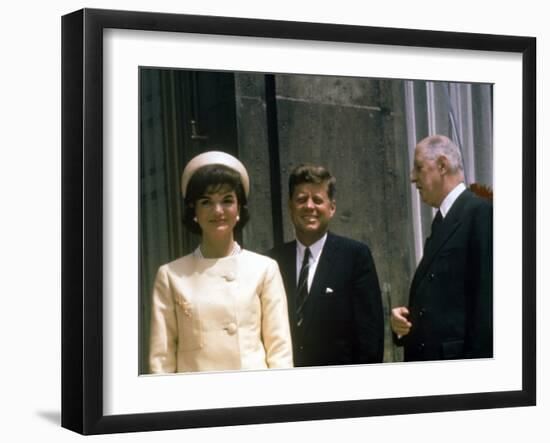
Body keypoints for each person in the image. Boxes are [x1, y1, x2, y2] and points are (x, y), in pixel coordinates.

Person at [149, 151, 293, 373]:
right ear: (194, 211)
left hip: (253, 394)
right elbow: (161, 359)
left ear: (239, 210)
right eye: (206, 202)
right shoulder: (170, 275)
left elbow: (280, 349)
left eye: (227, 200)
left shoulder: (264, 269)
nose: (218, 211)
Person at [269, 164, 384, 367]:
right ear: (290, 206)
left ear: (332, 208)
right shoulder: (272, 262)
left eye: (318, 200)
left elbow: (370, 338)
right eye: (301, 199)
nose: (309, 206)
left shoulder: (355, 257)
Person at [390, 135, 493, 361]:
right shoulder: (443, 221)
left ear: (442, 165)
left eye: (418, 168)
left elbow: (486, 307)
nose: (412, 177)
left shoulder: (481, 213)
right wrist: (405, 322)